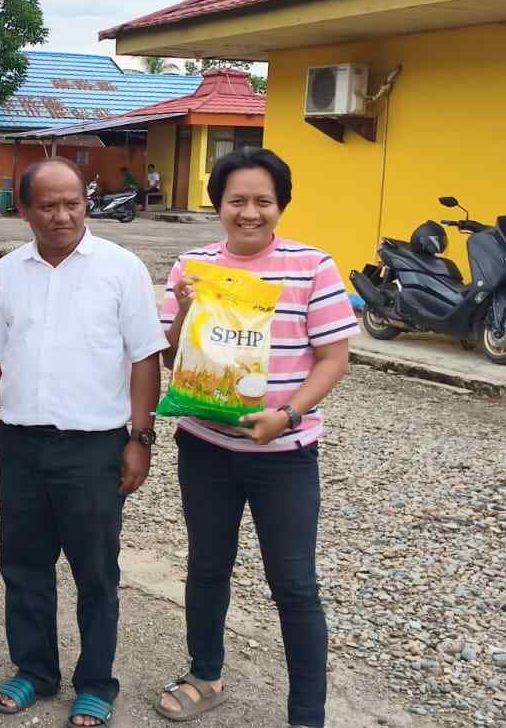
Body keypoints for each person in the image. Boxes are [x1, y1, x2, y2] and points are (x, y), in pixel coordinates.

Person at [152, 149, 358, 728]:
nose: (249, 213)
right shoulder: (192, 266)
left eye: (262, 201)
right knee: (207, 566)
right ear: (217, 205)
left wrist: (287, 417)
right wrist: (183, 311)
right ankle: (205, 674)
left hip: (285, 455)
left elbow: (334, 358)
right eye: (236, 200)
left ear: (280, 205)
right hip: (204, 447)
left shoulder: (312, 266)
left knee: (293, 584)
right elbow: (171, 357)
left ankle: (307, 714)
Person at [0, 158, 168, 728]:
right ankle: (35, 671)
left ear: (86, 203)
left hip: (94, 449)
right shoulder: (6, 275)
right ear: (25, 209)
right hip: (22, 447)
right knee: (23, 565)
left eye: (73, 203)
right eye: (48, 206)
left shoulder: (121, 269)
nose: (62, 216)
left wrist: (141, 438)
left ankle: (96, 684)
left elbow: (145, 359)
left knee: (95, 571)